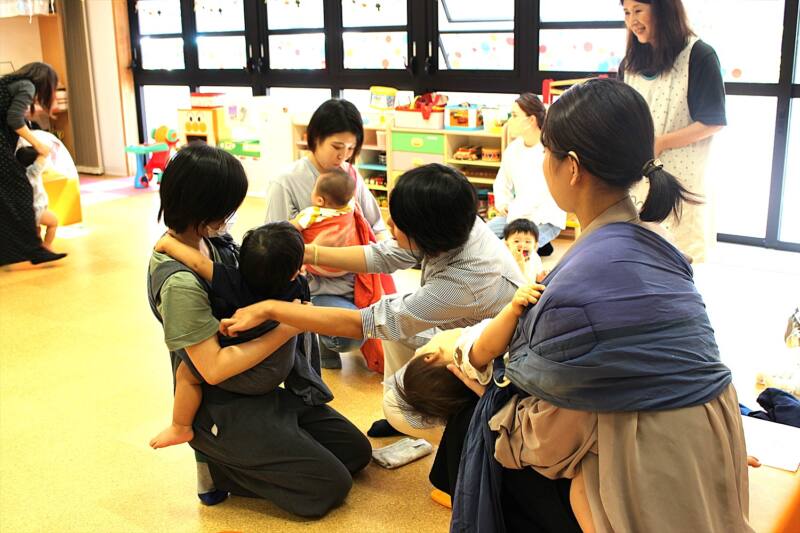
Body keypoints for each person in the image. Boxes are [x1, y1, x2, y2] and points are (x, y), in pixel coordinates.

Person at [442, 78, 750, 532]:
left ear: (572, 167)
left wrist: (492, 401)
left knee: (476, 427)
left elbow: (548, 441)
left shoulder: (579, 282)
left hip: (647, 478)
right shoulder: (662, 246)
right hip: (715, 447)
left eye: (547, 152)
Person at [222, 163, 525, 440]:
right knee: (395, 322)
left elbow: (365, 322)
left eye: (399, 222)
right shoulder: (455, 222)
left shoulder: (464, 282)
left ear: (426, 232)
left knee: (398, 406)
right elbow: (384, 255)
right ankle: (411, 410)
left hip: (493, 364)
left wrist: (271, 309)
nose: (389, 223)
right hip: (466, 330)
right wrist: (308, 252)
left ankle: (468, 437)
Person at [148, 143, 370, 518]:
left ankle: (271, 443)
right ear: (207, 208)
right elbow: (212, 369)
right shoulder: (180, 284)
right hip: (225, 400)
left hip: (265, 388)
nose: (231, 215)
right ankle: (223, 467)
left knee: (355, 453)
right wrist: (287, 327)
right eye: (228, 206)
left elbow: (220, 273)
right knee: (328, 487)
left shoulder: (216, 244)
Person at [149, 221, 314, 449]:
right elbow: (308, 312)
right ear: (295, 272)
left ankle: (180, 427)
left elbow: (198, 263)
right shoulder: (299, 286)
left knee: (186, 373)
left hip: (248, 371)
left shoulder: (233, 281)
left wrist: (168, 244)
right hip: (280, 365)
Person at [265, 98, 389, 369]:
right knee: (351, 334)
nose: (343, 156)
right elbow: (273, 245)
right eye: (336, 147)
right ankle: (318, 336)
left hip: (359, 280)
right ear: (315, 138)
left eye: (350, 148)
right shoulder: (287, 182)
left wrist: (387, 260)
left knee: (390, 321)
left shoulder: (350, 177)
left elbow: (376, 225)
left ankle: (329, 330)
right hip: (315, 286)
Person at [620, 0, 726, 262]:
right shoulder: (630, 63)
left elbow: (713, 121)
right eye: (627, 13)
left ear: (663, 9)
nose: (632, 21)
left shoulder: (698, 55)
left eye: (638, 10)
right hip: (638, 180)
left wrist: (662, 142)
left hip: (682, 183)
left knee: (680, 259)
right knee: (638, 255)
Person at [0, 62, 66, 265]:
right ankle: (34, 250)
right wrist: (38, 144)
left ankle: (11, 251)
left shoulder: (12, 84)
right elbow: (14, 119)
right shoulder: (27, 86)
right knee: (20, 191)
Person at [487, 93, 566, 253]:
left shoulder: (549, 151)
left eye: (515, 115)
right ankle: (539, 246)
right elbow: (502, 182)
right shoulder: (513, 149)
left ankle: (537, 244)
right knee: (481, 237)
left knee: (509, 250)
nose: (510, 121)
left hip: (545, 218)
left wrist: (520, 217)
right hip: (518, 215)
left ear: (531, 120)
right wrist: (503, 203)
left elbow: (543, 196)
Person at [15, 145, 60, 253]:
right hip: (36, 210)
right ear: (34, 162)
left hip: (27, 210)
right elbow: (43, 155)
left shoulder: (20, 173)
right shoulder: (33, 172)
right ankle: (47, 245)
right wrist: (43, 149)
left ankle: (36, 248)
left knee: (37, 230)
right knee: (53, 222)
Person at [502, 218, 547, 283]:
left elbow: (536, 276)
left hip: (530, 287)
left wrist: (540, 277)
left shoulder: (535, 257)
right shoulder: (505, 259)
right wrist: (519, 262)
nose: (522, 245)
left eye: (527, 241)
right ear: (507, 244)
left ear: (535, 245)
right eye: (516, 241)